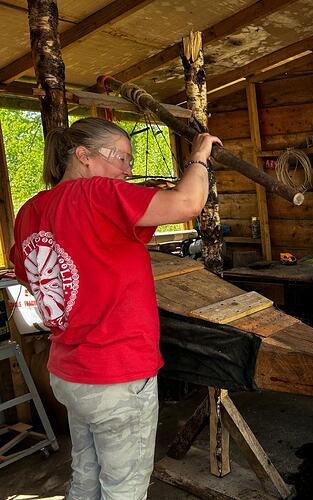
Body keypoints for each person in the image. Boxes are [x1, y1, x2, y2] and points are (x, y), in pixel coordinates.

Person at [9, 117, 222, 499]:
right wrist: (200, 157)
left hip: (70, 370)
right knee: (124, 489)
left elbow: (30, 273)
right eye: (120, 158)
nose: (127, 169)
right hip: (116, 372)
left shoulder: (31, 209)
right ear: (83, 156)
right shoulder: (96, 193)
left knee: (86, 476)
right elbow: (188, 202)